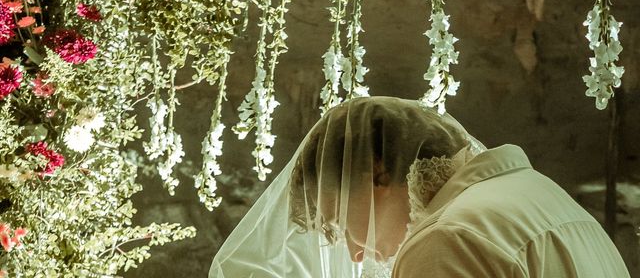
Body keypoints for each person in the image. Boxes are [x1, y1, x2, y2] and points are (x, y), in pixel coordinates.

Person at [209, 96, 630, 277]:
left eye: (337, 221)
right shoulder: (538, 196)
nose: (355, 252)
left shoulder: (446, 240)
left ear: (375, 172)